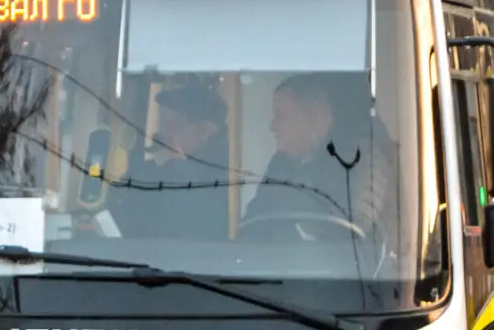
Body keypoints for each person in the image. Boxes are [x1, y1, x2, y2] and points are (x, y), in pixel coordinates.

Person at [244, 74, 364, 236]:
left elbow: (352, 240)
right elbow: (251, 225)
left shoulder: (355, 163)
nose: (273, 126)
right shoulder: (280, 163)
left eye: (281, 115)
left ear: (315, 117)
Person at [112, 82, 231, 240]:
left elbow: (192, 223)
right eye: (163, 124)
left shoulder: (226, 174)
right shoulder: (161, 166)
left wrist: (178, 164)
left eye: (172, 125)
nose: (161, 133)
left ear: (205, 131)